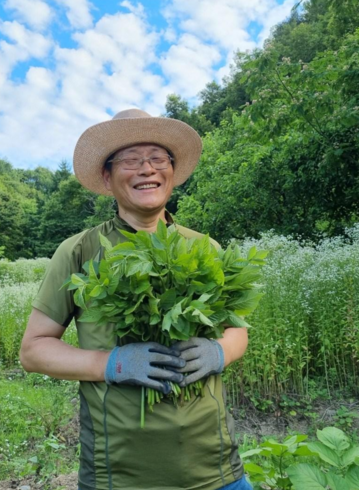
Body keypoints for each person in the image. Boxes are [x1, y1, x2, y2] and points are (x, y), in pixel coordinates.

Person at [20, 109, 251, 490]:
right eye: (130, 160)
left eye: (158, 159)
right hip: (120, 475)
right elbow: (33, 351)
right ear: (107, 178)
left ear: (172, 173)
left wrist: (217, 353)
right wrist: (111, 363)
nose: (147, 169)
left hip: (216, 470)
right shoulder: (80, 251)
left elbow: (237, 333)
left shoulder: (205, 248)